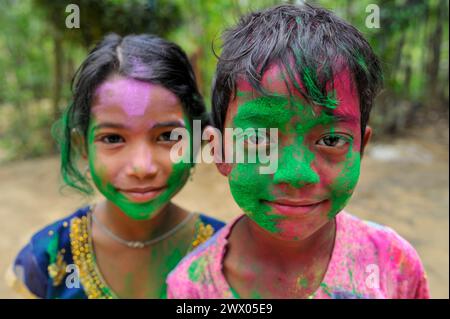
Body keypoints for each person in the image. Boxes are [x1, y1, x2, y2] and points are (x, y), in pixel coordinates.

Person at [167, 4, 430, 299]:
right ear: (219, 152)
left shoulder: (394, 264)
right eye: (257, 137)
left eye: (331, 140)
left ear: (360, 147)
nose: (296, 175)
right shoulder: (191, 288)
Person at [10, 33, 225, 299]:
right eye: (113, 138)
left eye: (168, 136)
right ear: (82, 148)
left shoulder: (229, 255)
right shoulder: (45, 260)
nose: (141, 167)